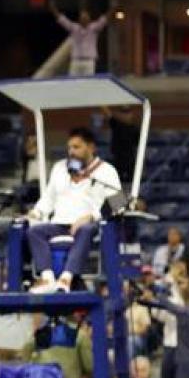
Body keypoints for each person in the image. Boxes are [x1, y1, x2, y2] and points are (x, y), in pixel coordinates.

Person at [27, 126, 120, 294]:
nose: (71, 151)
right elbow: (48, 197)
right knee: (34, 231)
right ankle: (47, 279)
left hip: (90, 226)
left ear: (91, 147)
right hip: (60, 223)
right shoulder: (59, 168)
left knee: (85, 229)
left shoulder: (107, 171)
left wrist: (91, 216)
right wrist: (36, 212)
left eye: (76, 147)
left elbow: (118, 202)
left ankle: (66, 278)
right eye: (69, 147)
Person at [48, 0, 114, 76]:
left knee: (87, 83)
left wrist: (112, 8)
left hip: (89, 61)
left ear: (89, 19)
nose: (84, 19)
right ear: (79, 19)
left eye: (86, 17)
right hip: (76, 61)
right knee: (73, 82)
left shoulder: (94, 28)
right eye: (82, 18)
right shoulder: (74, 28)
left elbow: (104, 19)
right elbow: (61, 19)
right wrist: (53, 9)